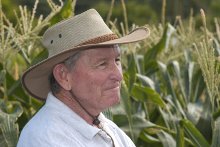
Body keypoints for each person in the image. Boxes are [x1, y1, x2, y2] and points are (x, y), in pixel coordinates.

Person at [17, 9, 149, 147]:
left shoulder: (110, 129)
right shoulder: (44, 138)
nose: (119, 75)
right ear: (63, 76)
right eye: (102, 64)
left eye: (117, 60)